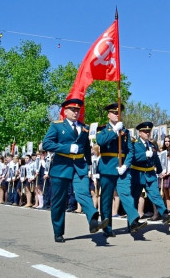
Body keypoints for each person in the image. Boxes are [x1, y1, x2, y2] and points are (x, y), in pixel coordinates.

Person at [42, 98, 108, 243]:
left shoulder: (84, 127)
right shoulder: (57, 126)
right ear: (65, 111)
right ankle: (58, 232)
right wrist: (66, 148)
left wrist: (90, 165)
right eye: (72, 110)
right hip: (61, 167)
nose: (75, 112)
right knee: (59, 201)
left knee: (84, 192)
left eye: (78, 110)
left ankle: (93, 221)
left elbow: (86, 147)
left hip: (79, 166)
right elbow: (46, 144)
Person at [96, 103, 147, 237]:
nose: (117, 115)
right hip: (107, 168)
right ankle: (107, 228)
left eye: (119, 113)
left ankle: (134, 221)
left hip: (122, 168)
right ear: (108, 114)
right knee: (106, 199)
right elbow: (101, 142)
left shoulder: (126, 131)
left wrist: (126, 165)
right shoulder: (103, 130)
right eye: (114, 112)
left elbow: (130, 151)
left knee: (126, 194)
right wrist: (114, 132)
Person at [131, 122, 170, 226]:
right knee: (134, 198)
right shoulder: (134, 144)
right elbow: (132, 158)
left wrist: (160, 171)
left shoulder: (151, 145)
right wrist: (144, 155)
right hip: (137, 175)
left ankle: (165, 215)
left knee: (156, 195)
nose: (147, 133)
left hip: (150, 174)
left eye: (149, 132)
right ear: (139, 133)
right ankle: (133, 221)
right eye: (145, 132)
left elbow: (156, 159)